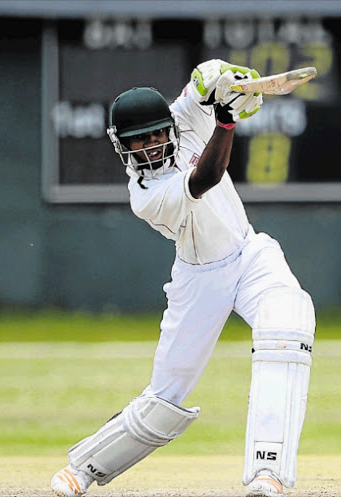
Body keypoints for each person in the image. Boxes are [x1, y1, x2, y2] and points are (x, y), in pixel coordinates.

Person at [50, 59, 315, 497]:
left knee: (288, 324)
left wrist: (226, 81)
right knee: (165, 397)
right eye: (140, 140)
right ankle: (84, 469)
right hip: (199, 279)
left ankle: (268, 473)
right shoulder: (145, 195)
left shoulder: (182, 118)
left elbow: (203, 80)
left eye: (157, 133)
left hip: (250, 254)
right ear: (123, 146)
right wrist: (227, 118)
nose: (153, 145)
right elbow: (207, 176)